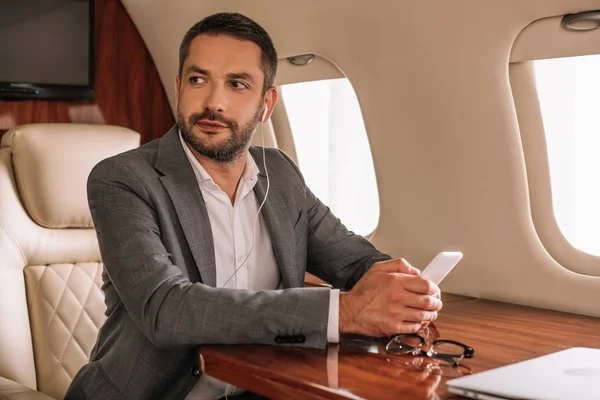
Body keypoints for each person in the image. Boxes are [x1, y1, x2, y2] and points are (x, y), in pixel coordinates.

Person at [66, 12, 442, 400]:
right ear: (178, 88)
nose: (214, 102)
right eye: (199, 80)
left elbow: (351, 259)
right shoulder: (123, 179)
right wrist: (342, 312)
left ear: (267, 103)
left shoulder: (280, 174)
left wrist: (402, 289)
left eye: (237, 84)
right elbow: (167, 309)